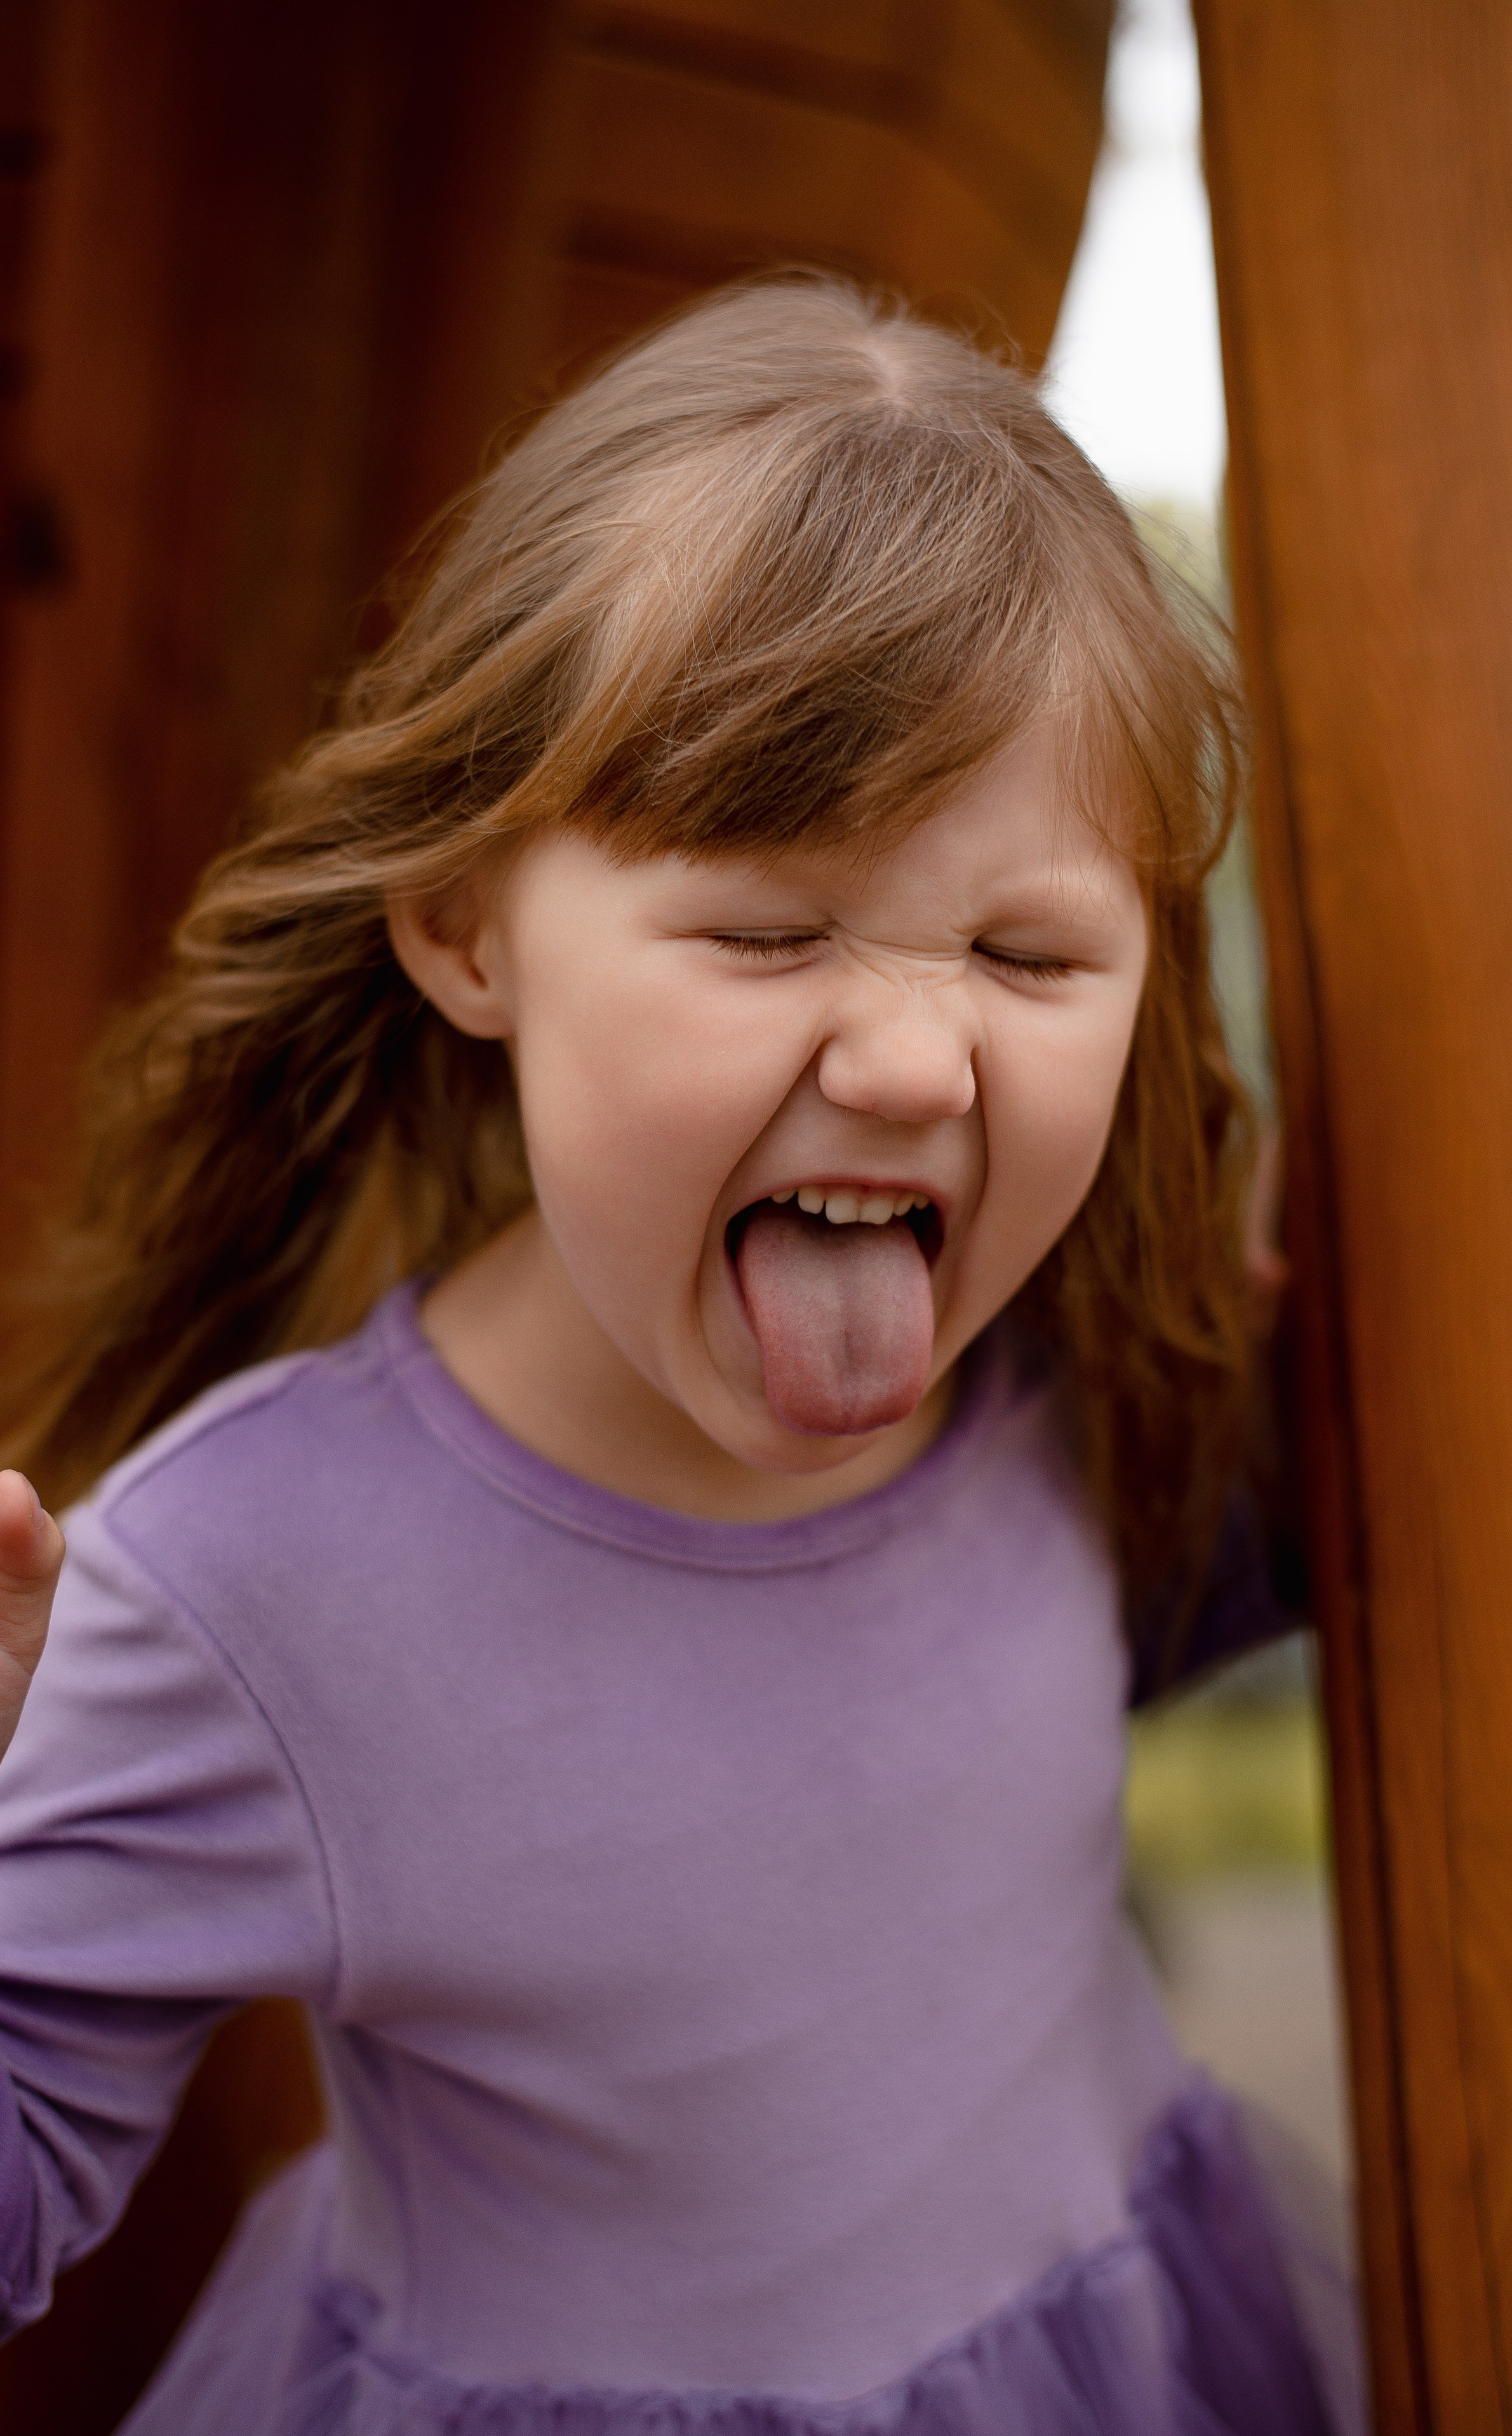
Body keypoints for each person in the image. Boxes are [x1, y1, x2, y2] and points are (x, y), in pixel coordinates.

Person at [0, 279, 1361, 2435]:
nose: (916, 1058)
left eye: (1028, 952)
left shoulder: (1065, 1388)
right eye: (766, 930)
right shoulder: (242, 1587)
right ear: (468, 927)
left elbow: (1015, 1715)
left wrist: (1329, 1418)